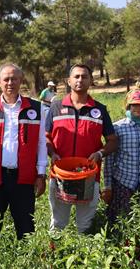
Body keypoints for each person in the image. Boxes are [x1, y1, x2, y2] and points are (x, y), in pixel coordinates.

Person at [0, 63, 48, 239]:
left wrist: (41, 174)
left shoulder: (36, 109)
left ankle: (27, 264)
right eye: (6, 79)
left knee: (26, 227)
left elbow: (41, 143)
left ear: (20, 80)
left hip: (24, 178)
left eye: (14, 78)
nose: (10, 83)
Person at [45, 64, 118, 234]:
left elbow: (113, 141)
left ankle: (83, 258)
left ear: (90, 81)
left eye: (84, 76)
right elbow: (45, 137)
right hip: (61, 175)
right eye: (76, 76)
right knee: (57, 223)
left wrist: (100, 153)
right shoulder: (56, 107)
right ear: (68, 81)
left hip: (89, 176)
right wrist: (52, 153)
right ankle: (54, 258)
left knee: (85, 226)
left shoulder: (99, 110)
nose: (80, 80)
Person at [102, 90, 140, 228]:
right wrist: (108, 185)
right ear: (128, 107)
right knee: (120, 220)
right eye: (134, 105)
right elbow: (109, 160)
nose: (138, 108)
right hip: (123, 181)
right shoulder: (118, 127)